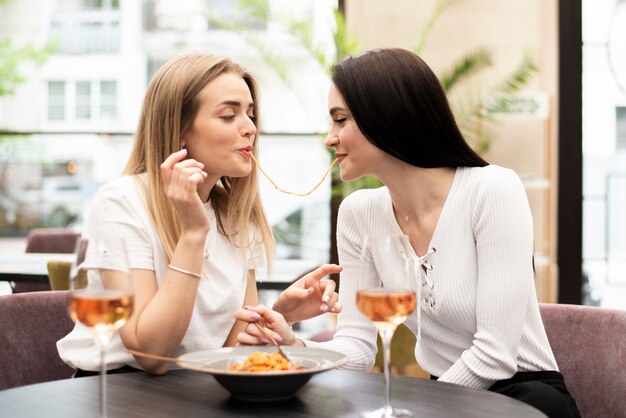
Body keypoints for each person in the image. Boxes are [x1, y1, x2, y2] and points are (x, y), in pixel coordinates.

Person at [235, 48, 580, 418]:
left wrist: (418, 407)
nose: (329, 138)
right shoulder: (358, 214)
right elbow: (357, 348)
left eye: (340, 120)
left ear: (387, 117)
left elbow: (495, 354)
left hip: (524, 398)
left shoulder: (493, 190)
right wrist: (293, 343)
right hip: (442, 399)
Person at [57, 52, 342, 376]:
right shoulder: (121, 202)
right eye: (228, 115)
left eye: (250, 114)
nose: (250, 128)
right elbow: (151, 354)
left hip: (198, 387)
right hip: (119, 389)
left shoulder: (235, 215)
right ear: (179, 130)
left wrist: (278, 315)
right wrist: (193, 233)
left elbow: (231, 350)